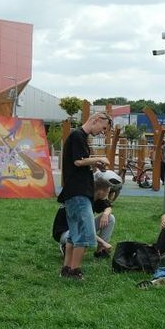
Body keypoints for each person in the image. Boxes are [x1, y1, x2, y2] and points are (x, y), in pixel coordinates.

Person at [56, 111, 111, 280]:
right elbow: (78, 161)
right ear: (96, 120)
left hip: (74, 192)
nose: (102, 132)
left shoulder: (80, 137)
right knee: (84, 233)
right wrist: (99, 159)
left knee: (74, 234)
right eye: (103, 128)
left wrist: (95, 164)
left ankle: (66, 269)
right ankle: (75, 271)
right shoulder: (78, 136)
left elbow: (80, 163)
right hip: (78, 192)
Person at [53, 175, 116, 258]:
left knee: (110, 218)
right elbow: (84, 229)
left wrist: (105, 214)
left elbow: (108, 207)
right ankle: (66, 246)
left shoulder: (95, 197)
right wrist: (104, 243)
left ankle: (100, 251)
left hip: (79, 229)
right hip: (64, 232)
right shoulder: (82, 201)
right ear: (100, 192)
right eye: (107, 193)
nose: (108, 195)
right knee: (82, 232)